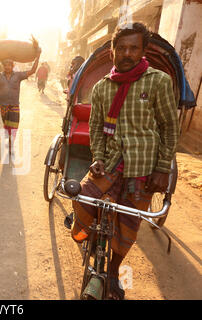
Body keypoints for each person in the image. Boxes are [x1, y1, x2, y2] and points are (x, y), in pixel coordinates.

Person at [69, 22, 179, 300]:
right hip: (109, 162)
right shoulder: (102, 88)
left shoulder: (158, 81)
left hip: (144, 168)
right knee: (82, 199)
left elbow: (169, 127)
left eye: (133, 48)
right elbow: (95, 128)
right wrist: (97, 158)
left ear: (143, 51)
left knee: (127, 226)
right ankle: (94, 249)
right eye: (121, 48)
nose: (127, 53)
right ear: (113, 52)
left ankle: (114, 272)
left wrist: (163, 169)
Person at [0, 45, 41, 155]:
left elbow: (32, 70)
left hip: (14, 105)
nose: (7, 67)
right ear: (3, 66)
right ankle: (9, 139)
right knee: (6, 126)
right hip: (3, 106)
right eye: (5, 65)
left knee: (14, 126)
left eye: (9, 65)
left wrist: (38, 56)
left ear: (12, 66)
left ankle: (11, 142)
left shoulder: (18, 76)